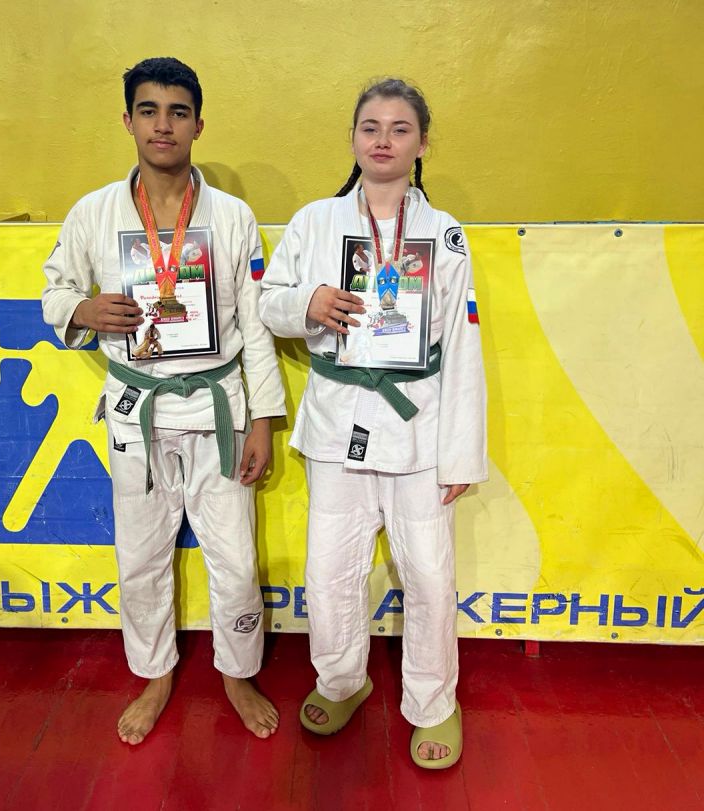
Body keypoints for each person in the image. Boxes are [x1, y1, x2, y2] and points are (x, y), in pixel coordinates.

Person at [42, 57, 285, 745]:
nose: (163, 125)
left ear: (198, 124)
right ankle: (154, 674)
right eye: (148, 110)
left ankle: (238, 672)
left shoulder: (233, 217)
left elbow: (256, 324)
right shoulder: (93, 212)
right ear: (128, 120)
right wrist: (83, 309)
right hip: (137, 408)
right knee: (141, 555)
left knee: (234, 557)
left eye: (178, 112)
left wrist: (263, 419)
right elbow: (55, 291)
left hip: (218, 408)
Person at [258, 78, 487, 769]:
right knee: (330, 569)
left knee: (428, 574)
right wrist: (307, 302)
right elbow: (267, 304)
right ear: (353, 138)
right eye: (370, 127)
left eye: (399, 128)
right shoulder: (314, 222)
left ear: (422, 144)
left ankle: (433, 701)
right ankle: (341, 680)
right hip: (339, 423)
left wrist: (461, 455)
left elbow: (463, 342)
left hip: (421, 428)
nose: (383, 140)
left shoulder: (444, 233)